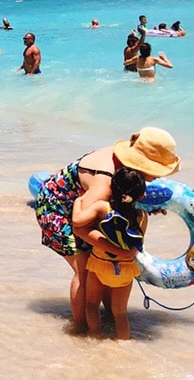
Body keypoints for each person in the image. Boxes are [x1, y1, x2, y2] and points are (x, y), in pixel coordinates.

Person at [33, 127, 181, 331]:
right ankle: (80, 330)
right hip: (58, 207)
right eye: (157, 170)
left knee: (100, 263)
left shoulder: (122, 168)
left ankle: (106, 321)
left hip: (84, 203)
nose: (158, 177)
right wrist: (120, 252)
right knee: (84, 270)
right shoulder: (104, 184)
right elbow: (80, 227)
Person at [72, 167, 148, 340]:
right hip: (126, 271)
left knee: (91, 305)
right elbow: (138, 242)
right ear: (141, 196)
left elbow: (77, 221)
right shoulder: (142, 216)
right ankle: (124, 345)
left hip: (99, 265)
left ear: (111, 188)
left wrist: (78, 201)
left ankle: (95, 336)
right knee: (120, 313)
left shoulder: (102, 208)